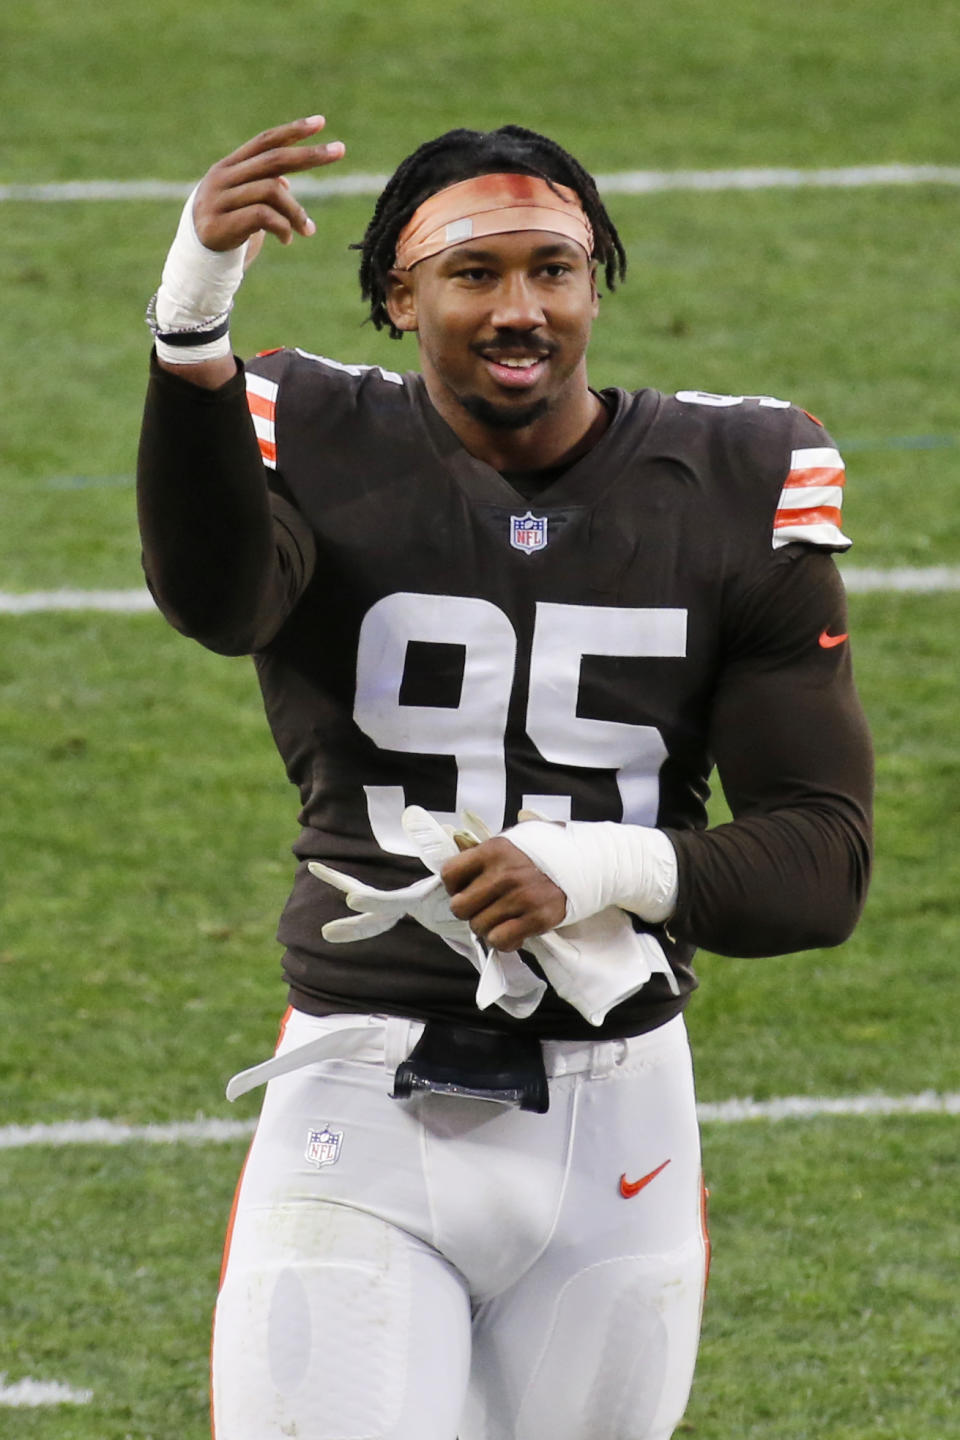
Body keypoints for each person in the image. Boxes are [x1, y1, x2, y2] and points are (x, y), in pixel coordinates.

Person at [137, 115, 873, 1440]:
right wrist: (192, 322)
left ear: (597, 283)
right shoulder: (315, 431)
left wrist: (592, 865)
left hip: (620, 1116)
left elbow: (821, 865)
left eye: (554, 267)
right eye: (474, 273)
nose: (520, 306)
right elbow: (215, 599)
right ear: (399, 295)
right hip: (365, 1085)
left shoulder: (732, 477)